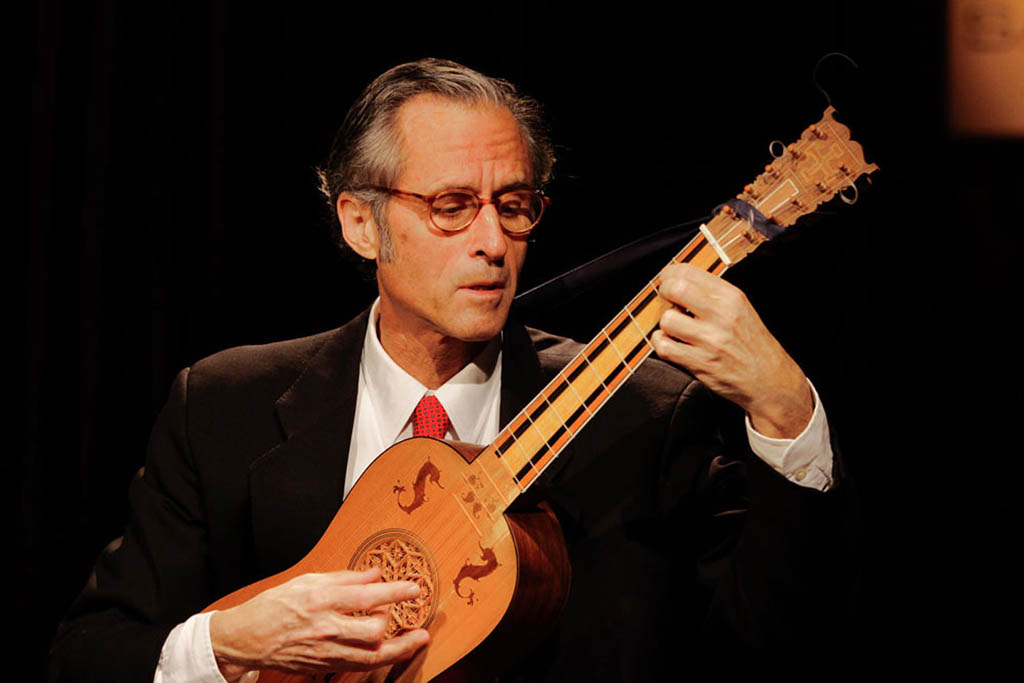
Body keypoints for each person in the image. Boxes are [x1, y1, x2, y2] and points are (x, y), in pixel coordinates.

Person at [51, 58, 848, 682]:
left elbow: (773, 647)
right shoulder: (224, 406)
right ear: (360, 223)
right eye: (452, 206)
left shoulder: (642, 412)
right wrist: (229, 642)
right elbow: (88, 655)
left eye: (514, 205)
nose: (493, 243)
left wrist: (787, 412)